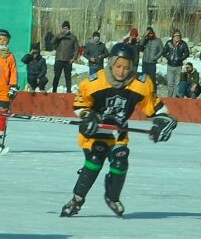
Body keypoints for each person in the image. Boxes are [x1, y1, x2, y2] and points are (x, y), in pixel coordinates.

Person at [61, 41, 177, 217]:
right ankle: (77, 199)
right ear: (111, 63)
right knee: (95, 159)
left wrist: (164, 120)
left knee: (120, 160)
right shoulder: (94, 82)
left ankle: (112, 197)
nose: (122, 71)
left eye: (126, 67)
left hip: (119, 131)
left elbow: (154, 107)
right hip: (94, 131)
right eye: (118, 66)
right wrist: (87, 116)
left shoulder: (141, 84)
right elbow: (79, 105)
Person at [51, 20, 80, 93]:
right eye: (64, 28)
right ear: (62, 28)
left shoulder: (73, 37)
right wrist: (58, 35)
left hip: (68, 61)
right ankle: (54, 91)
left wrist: (74, 58)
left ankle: (69, 92)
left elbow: (77, 49)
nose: (65, 29)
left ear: (69, 29)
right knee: (56, 76)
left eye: (66, 28)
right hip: (59, 59)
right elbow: (52, 42)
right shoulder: (59, 36)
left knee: (68, 78)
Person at [162, 29, 192, 97]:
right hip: (170, 66)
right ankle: (169, 98)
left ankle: (175, 98)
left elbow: (187, 53)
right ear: (173, 36)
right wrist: (168, 57)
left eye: (178, 36)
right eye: (176, 36)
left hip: (178, 66)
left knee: (177, 84)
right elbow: (164, 52)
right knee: (170, 83)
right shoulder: (169, 43)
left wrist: (181, 58)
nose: (177, 37)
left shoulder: (183, 44)